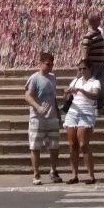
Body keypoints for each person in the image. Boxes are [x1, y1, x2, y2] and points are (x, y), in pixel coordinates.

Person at [24, 51, 62, 185]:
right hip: (37, 117)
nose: (50, 67)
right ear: (40, 64)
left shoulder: (52, 77)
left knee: (54, 146)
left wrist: (58, 113)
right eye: (47, 64)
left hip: (51, 116)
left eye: (52, 64)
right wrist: (37, 107)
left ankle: (53, 170)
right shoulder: (34, 78)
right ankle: (36, 173)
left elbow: (53, 97)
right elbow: (27, 95)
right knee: (35, 146)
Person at [63, 60, 100, 184]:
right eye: (80, 69)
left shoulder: (95, 82)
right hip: (73, 111)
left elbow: (95, 96)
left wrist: (81, 91)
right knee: (73, 145)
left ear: (89, 69)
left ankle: (91, 175)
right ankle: (74, 175)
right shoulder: (75, 81)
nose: (81, 71)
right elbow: (67, 98)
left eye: (84, 68)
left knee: (83, 144)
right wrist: (67, 93)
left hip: (87, 112)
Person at [82, 12, 104, 112]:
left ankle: (99, 107)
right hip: (93, 66)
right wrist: (85, 65)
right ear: (92, 21)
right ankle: (92, 107)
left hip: (100, 65)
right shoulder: (88, 36)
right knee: (93, 86)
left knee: (101, 85)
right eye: (98, 19)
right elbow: (85, 52)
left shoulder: (99, 33)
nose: (100, 21)